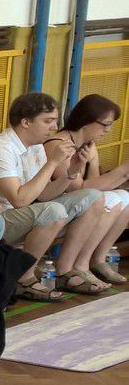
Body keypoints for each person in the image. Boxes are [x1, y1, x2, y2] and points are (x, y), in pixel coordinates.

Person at [0, 93, 112, 299]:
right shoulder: (0, 149)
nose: (54, 127)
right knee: (53, 211)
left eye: (55, 121)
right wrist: (53, 162)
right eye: (48, 121)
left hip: (18, 215)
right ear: (26, 122)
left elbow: (44, 195)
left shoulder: (36, 148)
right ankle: (23, 278)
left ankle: (65, 270)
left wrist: (71, 172)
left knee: (93, 197)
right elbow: (19, 200)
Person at [55, 94, 129, 286]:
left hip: (79, 199)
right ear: (86, 121)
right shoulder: (61, 144)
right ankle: (80, 264)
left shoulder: (89, 145)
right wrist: (122, 170)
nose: (108, 130)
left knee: (124, 198)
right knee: (107, 200)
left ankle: (97, 259)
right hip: (55, 202)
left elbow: (94, 183)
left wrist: (119, 173)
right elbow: (78, 189)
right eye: (105, 124)